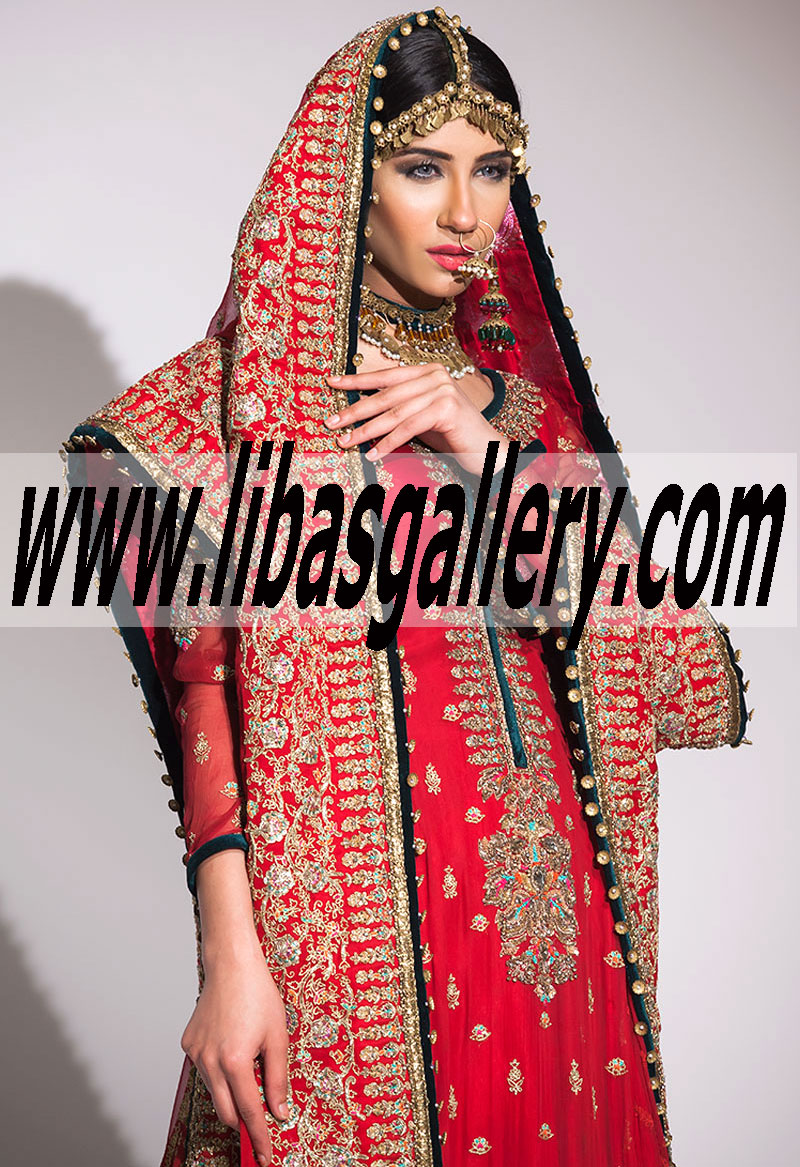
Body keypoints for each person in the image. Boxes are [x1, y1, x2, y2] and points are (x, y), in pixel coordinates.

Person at [66, 9, 748, 1166]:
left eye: (492, 172)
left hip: (562, 958)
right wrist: (228, 960)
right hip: (348, 964)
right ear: (344, 176)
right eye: (423, 167)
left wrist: (481, 446)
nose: (465, 214)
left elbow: (687, 684)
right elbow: (207, 704)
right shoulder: (205, 421)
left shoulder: (529, 423)